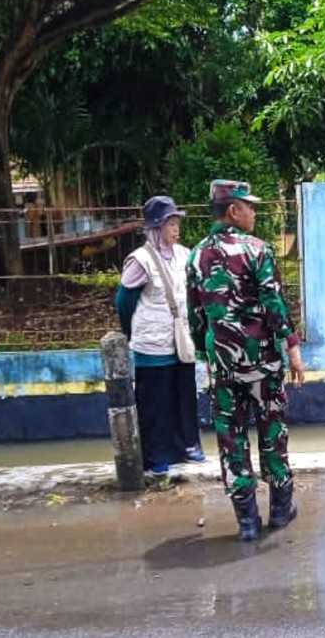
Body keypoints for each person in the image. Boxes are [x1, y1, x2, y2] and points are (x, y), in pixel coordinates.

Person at [186, 179, 306, 541]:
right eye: (249, 206)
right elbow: (274, 304)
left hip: (223, 366)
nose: (254, 212)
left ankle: (248, 523)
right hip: (263, 363)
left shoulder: (196, 256)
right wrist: (293, 348)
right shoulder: (257, 250)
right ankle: (281, 510)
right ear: (233, 210)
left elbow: (195, 316)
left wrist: (206, 353)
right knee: (272, 431)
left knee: (231, 439)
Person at [115, 195, 205, 479]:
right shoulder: (140, 260)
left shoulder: (184, 255)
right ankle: (156, 457)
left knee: (183, 394)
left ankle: (185, 447)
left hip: (180, 339)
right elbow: (124, 301)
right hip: (152, 342)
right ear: (156, 227)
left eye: (177, 223)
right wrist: (133, 331)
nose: (176, 229)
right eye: (170, 224)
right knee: (155, 402)